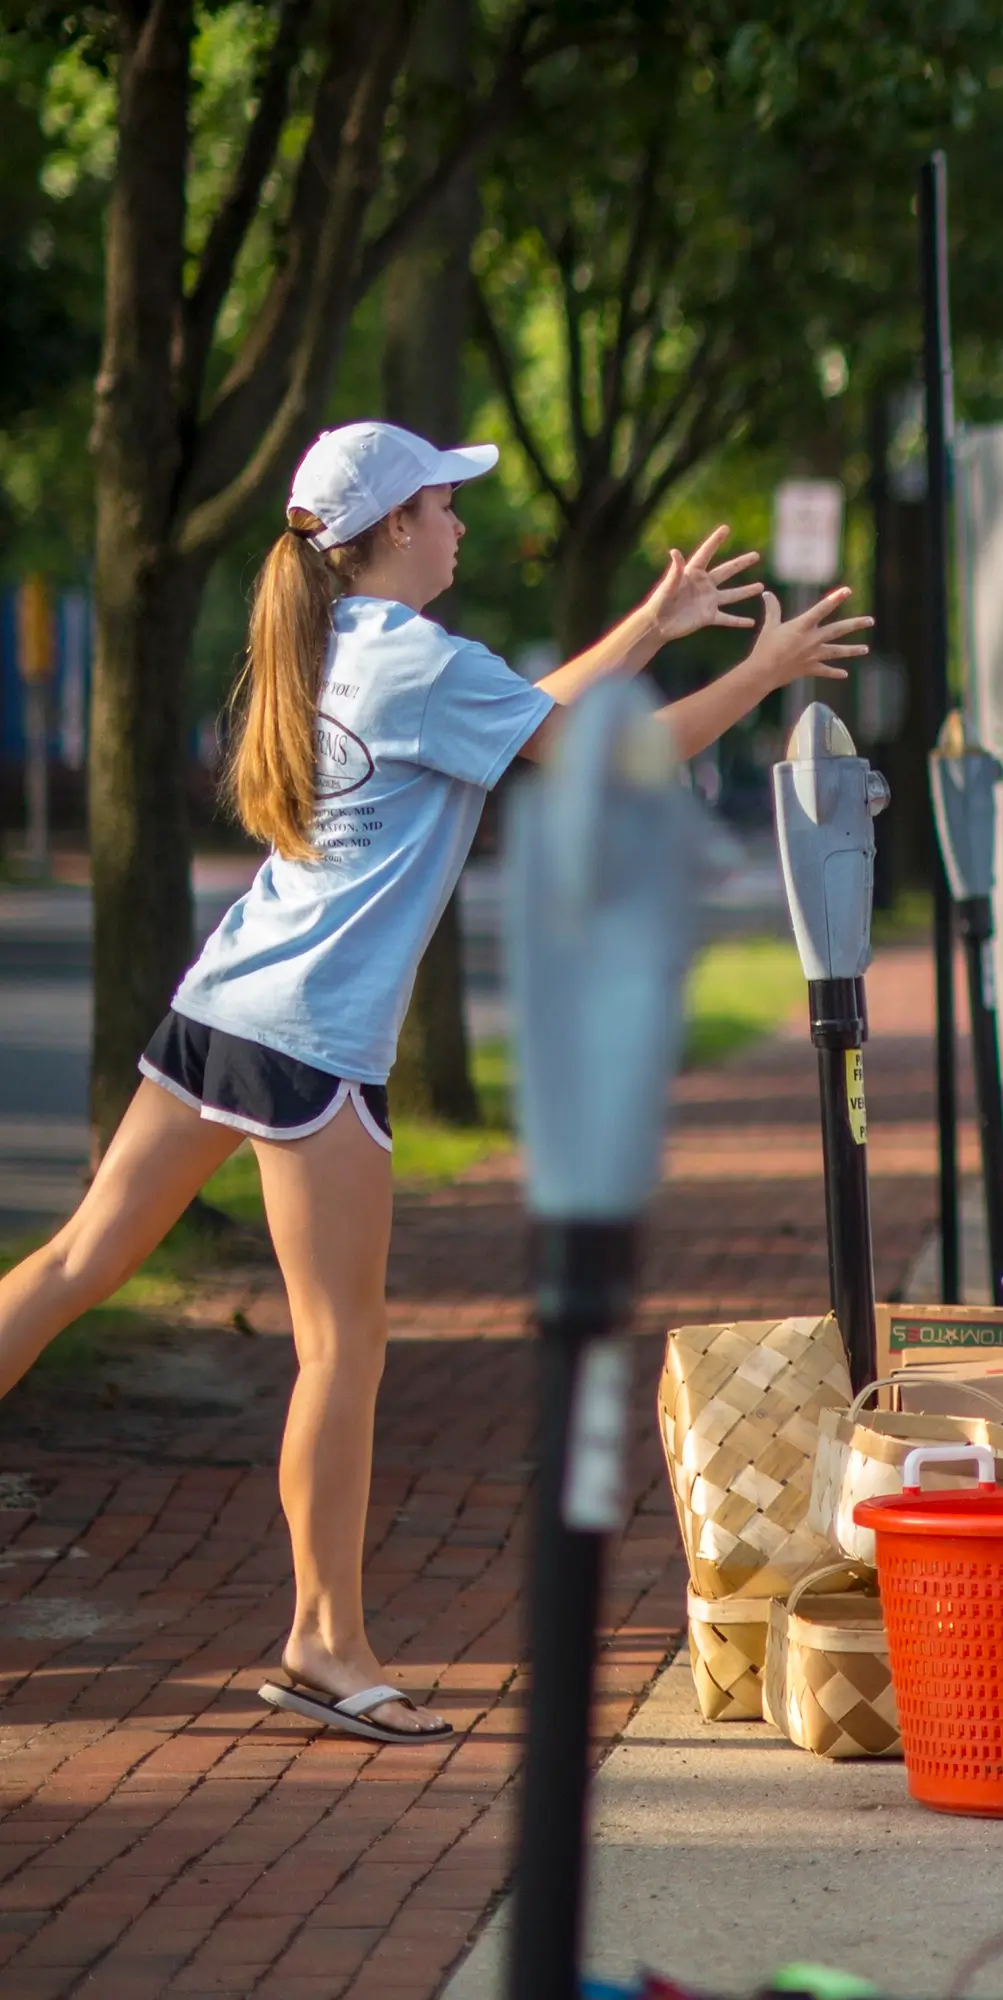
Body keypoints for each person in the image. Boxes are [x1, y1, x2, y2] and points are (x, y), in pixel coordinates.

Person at [0, 422, 870, 1745]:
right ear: (397, 524)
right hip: (312, 1044)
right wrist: (760, 670)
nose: (463, 522)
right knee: (340, 1348)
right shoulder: (411, 660)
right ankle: (322, 1643)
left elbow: (530, 720)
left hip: (219, 1007)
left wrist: (647, 624)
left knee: (72, 1267)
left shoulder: (340, 645)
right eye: (446, 504)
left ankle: (323, 1638)